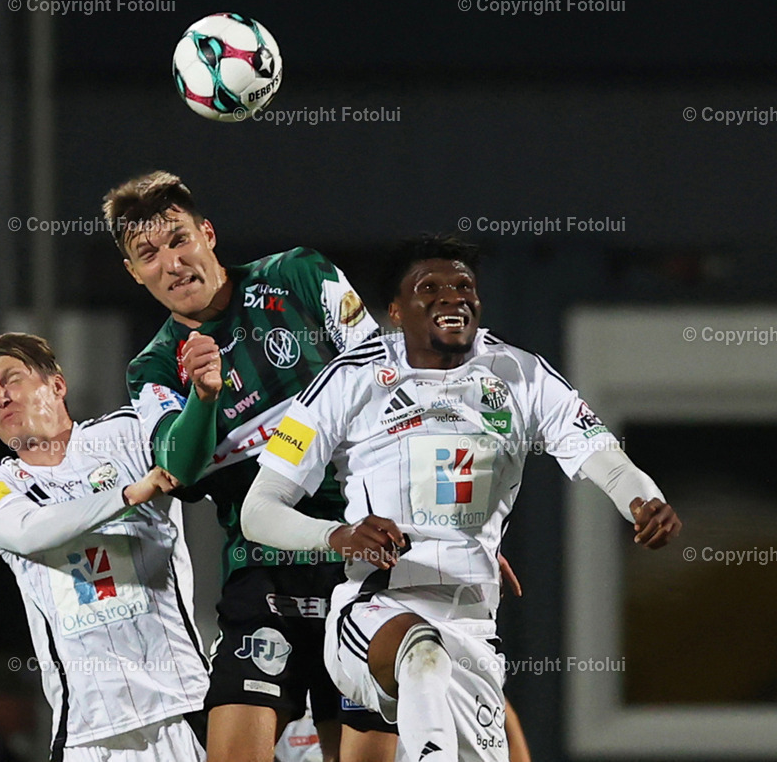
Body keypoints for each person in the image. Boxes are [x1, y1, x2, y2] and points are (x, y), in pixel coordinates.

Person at [241, 234, 682, 761]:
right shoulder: (351, 379)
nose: (453, 296)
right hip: (378, 610)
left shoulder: (521, 376)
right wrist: (338, 536)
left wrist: (643, 499)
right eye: (430, 287)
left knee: (440, 668)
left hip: (473, 626)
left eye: (464, 285)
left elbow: (604, 457)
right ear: (397, 312)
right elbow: (258, 510)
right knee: (421, 653)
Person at [102, 170, 387, 762]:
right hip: (264, 572)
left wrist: (449, 524)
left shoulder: (299, 276)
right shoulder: (153, 369)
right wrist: (203, 397)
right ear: (134, 273)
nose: (172, 262)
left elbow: (387, 387)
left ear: (207, 233)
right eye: (148, 254)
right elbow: (177, 467)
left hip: (365, 562)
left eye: (179, 239)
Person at [0, 332, 209, 762]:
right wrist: (127, 496)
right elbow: (25, 532)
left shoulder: (128, 434)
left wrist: (204, 399)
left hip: (182, 706)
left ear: (56, 385)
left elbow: (194, 466)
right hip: (87, 730)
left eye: (11, 380)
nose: (0, 398)